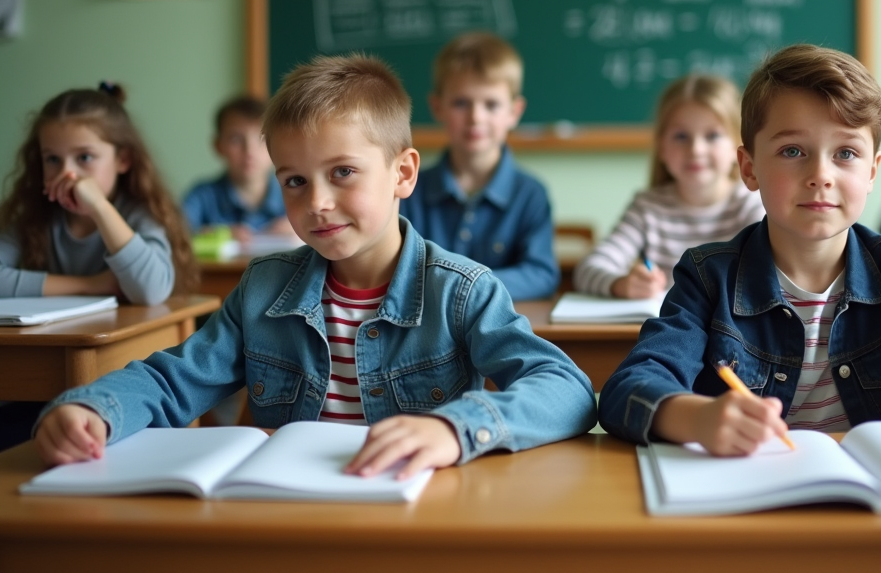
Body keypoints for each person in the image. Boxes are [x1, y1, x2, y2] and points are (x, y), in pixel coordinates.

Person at [33, 55, 597, 478]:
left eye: (343, 173)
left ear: (403, 174)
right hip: (290, 515)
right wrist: (93, 409)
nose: (317, 202)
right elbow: (172, 380)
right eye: (295, 181)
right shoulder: (263, 289)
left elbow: (566, 390)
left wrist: (454, 429)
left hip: (418, 516)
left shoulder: (462, 291)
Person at [599, 45, 881, 471]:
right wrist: (697, 419)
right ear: (749, 168)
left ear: (872, 171)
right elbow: (630, 386)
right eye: (792, 151)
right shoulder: (707, 278)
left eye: (845, 153)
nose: (820, 175)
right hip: (751, 490)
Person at [0, 83, 196, 304]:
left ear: (123, 160)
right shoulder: (35, 216)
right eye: (53, 159)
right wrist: (90, 285)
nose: (67, 173)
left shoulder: (139, 213)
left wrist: (99, 207)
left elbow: (151, 292)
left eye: (84, 157)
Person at [573, 74, 764, 299]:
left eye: (712, 135)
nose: (696, 150)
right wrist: (623, 285)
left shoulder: (752, 204)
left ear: (737, 147)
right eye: (681, 136)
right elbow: (588, 269)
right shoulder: (648, 207)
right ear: (661, 148)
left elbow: (772, 273)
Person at [401, 33, 558, 301]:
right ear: (437, 107)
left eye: (491, 104)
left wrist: (464, 287)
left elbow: (541, 275)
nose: (476, 117)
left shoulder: (530, 194)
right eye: (461, 103)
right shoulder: (408, 188)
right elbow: (395, 269)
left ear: (514, 112)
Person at [182, 95, 294, 242]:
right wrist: (220, 234)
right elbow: (175, 232)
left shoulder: (293, 191)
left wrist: (299, 229)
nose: (250, 151)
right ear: (218, 146)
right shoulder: (202, 196)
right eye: (236, 139)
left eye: (262, 139)